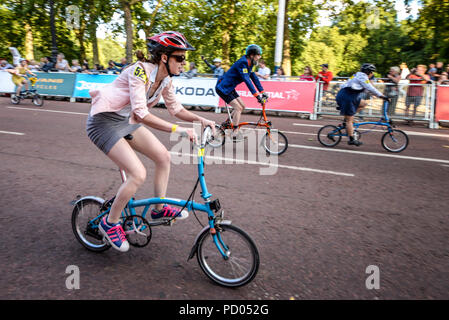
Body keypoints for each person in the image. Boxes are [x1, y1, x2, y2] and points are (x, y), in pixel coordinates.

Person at [86, 31, 215, 252]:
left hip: (126, 122)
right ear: (164, 57)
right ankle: (110, 222)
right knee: (138, 174)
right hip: (104, 123)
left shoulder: (165, 80)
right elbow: (142, 114)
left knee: (164, 157)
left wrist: (200, 119)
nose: (184, 63)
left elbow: (175, 109)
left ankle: (159, 207)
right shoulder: (139, 70)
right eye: (180, 58)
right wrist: (179, 131)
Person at [214, 44, 267, 139]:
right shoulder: (243, 63)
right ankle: (235, 131)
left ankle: (227, 123)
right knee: (238, 108)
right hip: (223, 88)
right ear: (252, 55)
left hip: (230, 88)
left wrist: (262, 91)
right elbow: (247, 80)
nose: (259, 57)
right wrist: (257, 96)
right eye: (258, 55)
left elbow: (254, 78)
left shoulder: (249, 63)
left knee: (242, 106)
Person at [336, 63, 389, 146]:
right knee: (350, 120)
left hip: (350, 96)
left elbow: (366, 89)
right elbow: (370, 88)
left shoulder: (358, 75)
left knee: (364, 103)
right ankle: (351, 139)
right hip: (347, 97)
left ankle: (347, 120)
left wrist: (377, 95)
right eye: (372, 72)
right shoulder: (362, 77)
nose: (373, 74)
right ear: (369, 72)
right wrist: (382, 96)